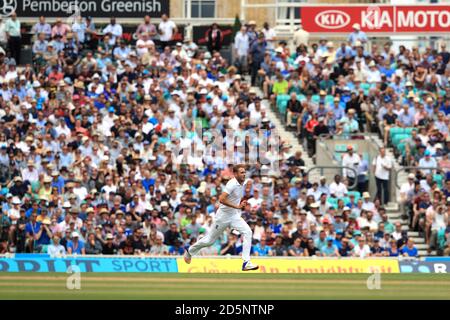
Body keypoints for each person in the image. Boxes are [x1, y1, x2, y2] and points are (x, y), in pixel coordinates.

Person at [184, 164, 259, 271]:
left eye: (244, 172)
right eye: (241, 172)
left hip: (234, 215)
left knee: (248, 232)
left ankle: (246, 262)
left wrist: (240, 203)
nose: (244, 174)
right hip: (223, 216)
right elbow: (221, 199)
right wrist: (237, 206)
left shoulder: (243, 182)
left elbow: (237, 195)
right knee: (209, 241)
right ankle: (190, 251)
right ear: (235, 174)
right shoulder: (231, 184)